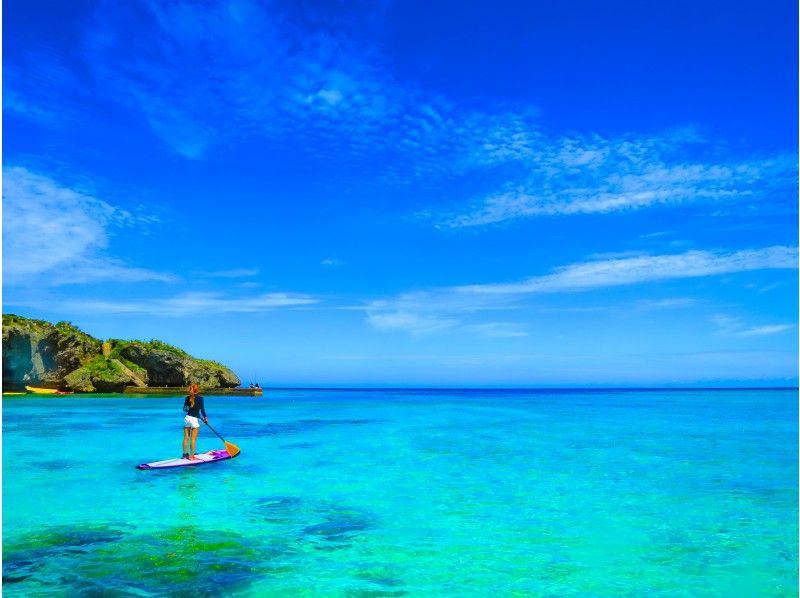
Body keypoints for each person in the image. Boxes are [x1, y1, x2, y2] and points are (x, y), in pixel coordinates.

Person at [182, 383, 208, 460]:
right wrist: (205, 418)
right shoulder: (201, 398)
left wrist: (192, 408)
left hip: (187, 418)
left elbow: (185, 409)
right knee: (193, 439)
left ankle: (184, 454)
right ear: (198, 390)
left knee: (186, 437)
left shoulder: (187, 398)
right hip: (194, 419)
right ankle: (192, 456)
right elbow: (202, 410)